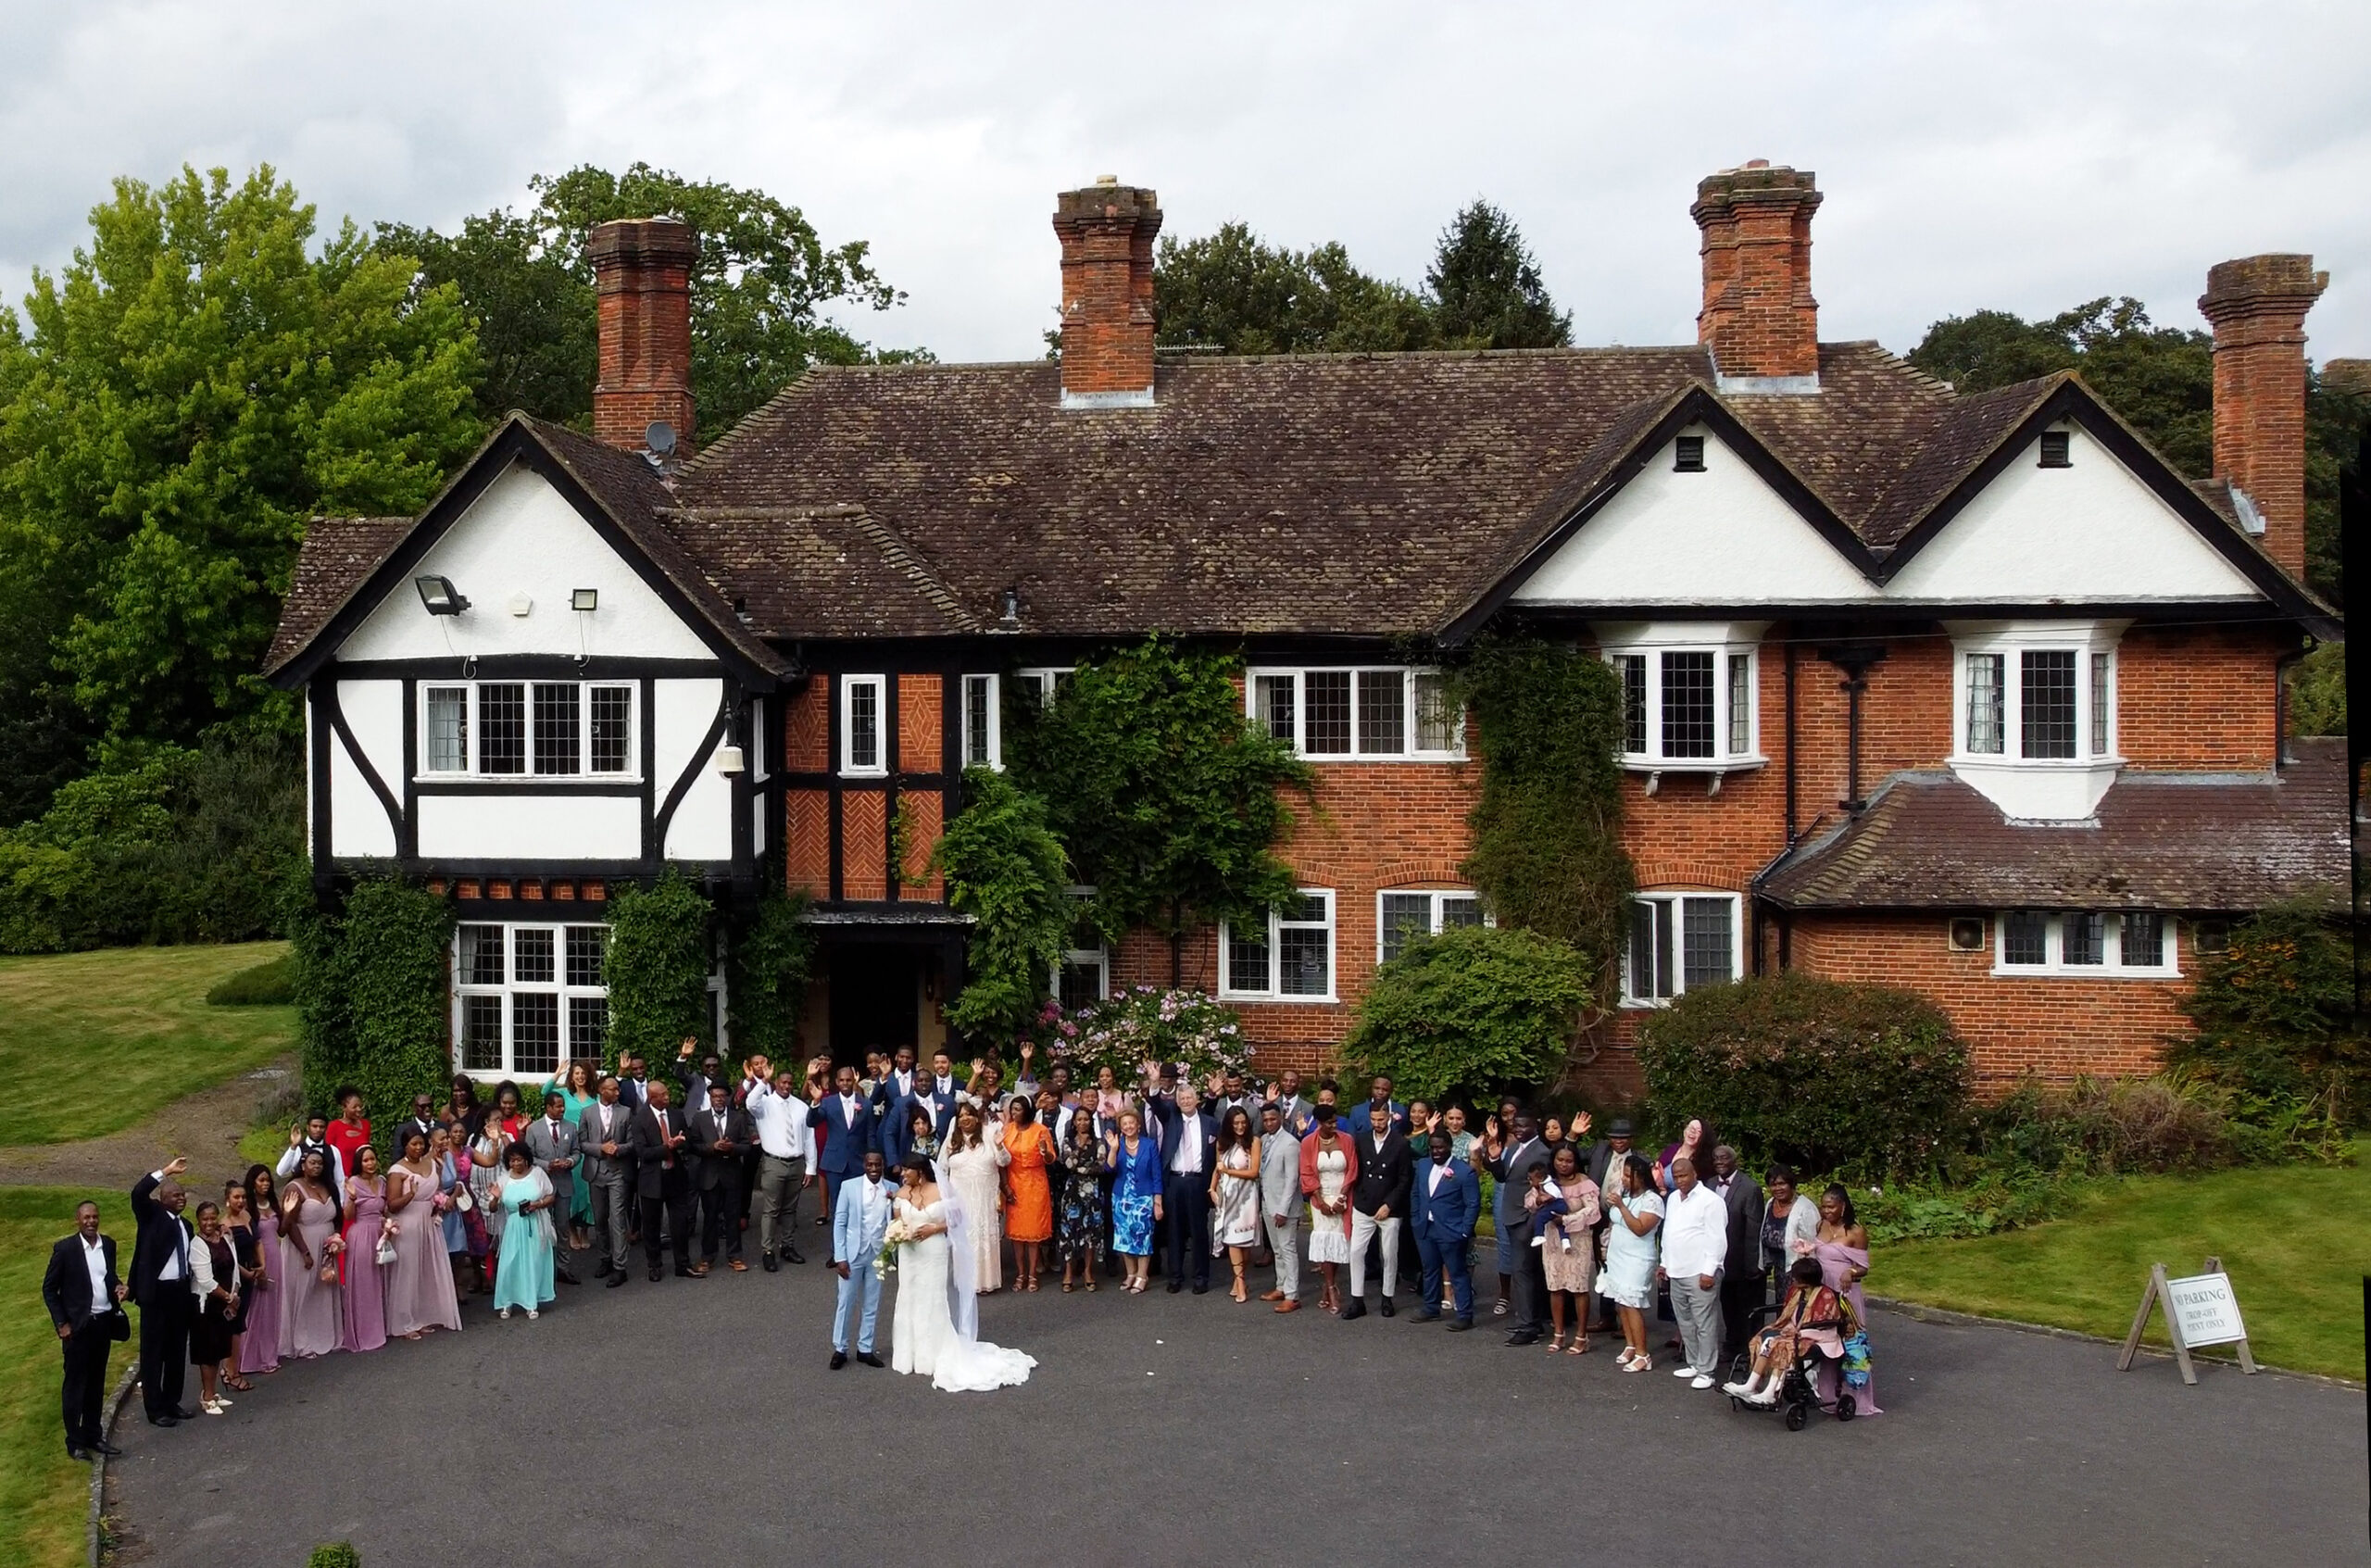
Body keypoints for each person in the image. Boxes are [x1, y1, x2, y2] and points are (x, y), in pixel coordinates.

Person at [890, 1155, 1035, 1391]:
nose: (904, 1174)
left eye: (908, 1170)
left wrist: (934, 1229)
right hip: (910, 1255)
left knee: (934, 1298)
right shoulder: (901, 1194)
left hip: (933, 1250)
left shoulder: (941, 1190)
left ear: (921, 1172)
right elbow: (898, 1223)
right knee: (910, 1296)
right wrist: (900, 1234)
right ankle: (910, 1354)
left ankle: (934, 1351)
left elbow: (957, 1219)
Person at [44, 1199, 127, 1460]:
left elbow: (108, 1276)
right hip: (78, 1328)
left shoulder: (108, 1245)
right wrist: (62, 1324)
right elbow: (49, 1289)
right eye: (86, 1218)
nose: (91, 1222)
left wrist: (119, 1286)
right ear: (78, 1220)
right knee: (75, 1385)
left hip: (102, 1324)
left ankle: (93, 1434)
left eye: (95, 1217)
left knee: (96, 1382)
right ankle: (75, 1442)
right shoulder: (66, 1249)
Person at [1725, 1257, 1857, 1405]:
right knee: (1768, 1341)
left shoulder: (1826, 1296)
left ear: (1805, 1280)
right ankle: (1750, 1385)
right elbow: (1792, 1317)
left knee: (1782, 1346)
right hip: (1798, 1334)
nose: (1792, 1279)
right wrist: (1789, 1329)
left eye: (1795, 1277)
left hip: (1822, 1339)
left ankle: (1770, 1392)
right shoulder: (1798, 1292)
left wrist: (1799, 1333)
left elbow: (1825, 1327)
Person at [129, 1158, 197, 1426]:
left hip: (180, 1291)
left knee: (177, 1350)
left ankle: (172, 1401)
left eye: (182, 1195)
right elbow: (137, 1193)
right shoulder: (151, 1216)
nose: (180, 1199)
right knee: (154, 1353)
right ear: (161, 1198)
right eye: (174, 1195)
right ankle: (155, 1409)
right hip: (156, 1294)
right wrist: (166, 1171)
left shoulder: (186, 1225)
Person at [1810, 1185, 1882, 1414]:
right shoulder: (1820, 1225)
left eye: (1831, 1207)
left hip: (1846, 1293)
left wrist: (1849, 1272)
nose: (1826, 1211)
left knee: (1850, 1342)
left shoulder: (1856, 1232)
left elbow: (1863, 1267)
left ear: (1843, 1206)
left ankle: (1856, 1397)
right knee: (1828, 1341)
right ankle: (1829, 1394)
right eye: (1823, 1206)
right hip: (1824, 1290)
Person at [385, 1129, 463, 1338]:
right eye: (413, 1144)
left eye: (421, 1143)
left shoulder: (433, 1164)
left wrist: (439, 1204)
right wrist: (410, 1194)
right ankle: (404, 1322)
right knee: (408, 1272)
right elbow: (392, 1205)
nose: (418, 1148)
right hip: (408, 1224)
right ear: (405, 1146)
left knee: (425, 1269)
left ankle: (422, 1316)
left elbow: (435, 1191)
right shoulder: (397, 1171)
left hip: (430, 1223)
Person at [1659, 1154, 1726, 1389]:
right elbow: (1668, 1233)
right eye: (1676, 1176)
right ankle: (1695, 1363)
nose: (1680, 1180)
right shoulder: (1674, 1199)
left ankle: (1707, 1371)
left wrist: (1709, 1270)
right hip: (1677, 1270)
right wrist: (1664, 1262)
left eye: (1684, 1175)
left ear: (1695, 1174)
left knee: (1704, 1322)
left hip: (1700, 1271)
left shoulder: (1710, 1200)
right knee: (1685, 1321)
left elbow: (1717, 1238)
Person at [1486, 1110, 1552, 1344]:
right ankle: (1532, 1320)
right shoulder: (1513, 1148)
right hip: (1511, 1215)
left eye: (1523, 1126)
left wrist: (1532, 1223)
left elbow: (1545, 1191)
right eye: (1515, 1125)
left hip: (1527, 1219)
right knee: (1524, 1272)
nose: (1518, 1129)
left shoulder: (1542, 1153)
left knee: (1523, 1273)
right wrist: (1493, 1158)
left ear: (1535, 1126)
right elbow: (1503, 1177)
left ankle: (1528, 1328)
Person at [1341, 1101, 1411, 1320]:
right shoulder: (1361, 1140)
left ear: (1389, 1117)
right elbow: (1356, 1171)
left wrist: (1389, 1204)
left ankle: (1387, 1297)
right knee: (1356, 1252)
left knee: (1389, 1254)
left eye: (1381, 1119)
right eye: (1373, 1120)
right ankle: (1357, 1299)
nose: (1377, 1123)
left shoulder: (1400, 1143)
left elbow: (1404, 1178)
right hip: (1364, 1204)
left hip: (1389, 1207)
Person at [1150, 1082, 1217, 1295]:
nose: (1186, 1101)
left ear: (1197, 1100)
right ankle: (1175, 1277)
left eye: (1189, 1098)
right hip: (1175, 1181)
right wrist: (1154, 1083)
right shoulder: (1171, 1119)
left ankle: (1201, 1277)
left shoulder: (1210, 1123)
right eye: (1182, 1099)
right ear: (1177, 1102)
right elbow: (1156, 1103)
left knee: (1199, 1232)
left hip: (1198, 1182)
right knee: (1175, 1232)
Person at [745, 1066, 813, 1271]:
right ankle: (768, 1251)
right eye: (782, 1082)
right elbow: (749, 1103)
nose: (786, 1086)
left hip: (797, 1162)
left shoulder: (801, 1106)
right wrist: (762, 1082)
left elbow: (809, 1138)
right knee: (771, 1210)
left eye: (790, 1083)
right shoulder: (764, 1104)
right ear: (776, 1083)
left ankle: (787, 1246)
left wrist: (811, 1168)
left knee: (790, 1209)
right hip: (774, 1162)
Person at [830, 1149, 894, 1369]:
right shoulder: (849, 1187)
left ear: (883, 1165)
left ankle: (865, 1348)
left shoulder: (892, 1189)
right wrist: (840, 1257)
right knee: (846, 1300)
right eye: (870, 1165)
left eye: (878, 1165)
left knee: (872, 1302)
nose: (874, 1169)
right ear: (864, 1165)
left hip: (878, 1252)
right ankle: (840, 1347)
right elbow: (839, 1222)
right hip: (853, 1253)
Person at [1410, 1130, 1480, 1329]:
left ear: (1449, 1147)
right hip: (1426, 1227)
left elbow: (1473, 1204)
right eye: (1432, 1148)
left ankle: (1465, 1314)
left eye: (1440, 1147)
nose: (1436, 1152)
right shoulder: (1423, 1166)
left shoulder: (1464, 1171)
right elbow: (1416, 1194)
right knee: (1429, 1269)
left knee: (1457, 1272)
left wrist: (1465, 1231)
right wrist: (1416, 1219)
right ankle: (1431, 1307)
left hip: (1452, 1230)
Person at [277, 1149, 343, 1360]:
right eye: (312, 1163)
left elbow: (338, 1215)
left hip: (325, 1245)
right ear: (303, 1165)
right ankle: (302, 1342)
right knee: (304, 1292)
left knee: (322, 1290)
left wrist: (335, 1239)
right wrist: (305, 1251)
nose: (317, 1167)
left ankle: (323, 1335)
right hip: (302, 1245)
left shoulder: (328, 1186)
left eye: (320, 1164)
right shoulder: (294, 1188)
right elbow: (290, 1224)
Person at [1537, 1143, 1601, 1354]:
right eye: (1560, 1160)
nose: (1563, 1165)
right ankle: (1559, 1334)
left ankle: (1582, 1336)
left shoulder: (1585, 1183)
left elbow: (1593, 1211)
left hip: (1577, 1240)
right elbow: (1530, 1201)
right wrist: (1537, 1200)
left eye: (1568, 1161)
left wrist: (1566, 1219)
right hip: (1552, 1239)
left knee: (1578, 1287)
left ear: (1576, 1162)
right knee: (1555, 1286)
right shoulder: (1547, 1181)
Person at [1600, 1153, 1663, 1374]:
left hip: (1637, 1258)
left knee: (1632, 1303)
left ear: (1641, 1176)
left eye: (1629, 1175)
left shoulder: (1652, 1200)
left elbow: (1639, 1228)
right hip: (1618, 1255)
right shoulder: (1623, 1194)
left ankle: (1642, 1354)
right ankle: (1630, 1344)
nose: (1624, 1179)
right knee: (1621, 1301)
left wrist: (1621, 1206)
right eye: (1623, 1174)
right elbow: (1614, 1221)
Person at [631, 1080, 696, 1281]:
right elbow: (642, 1152)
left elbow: (689, 1142)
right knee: (651, 1225)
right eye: (663, 1095)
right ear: (652, 1098)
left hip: (675, 1177)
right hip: (652, 1179)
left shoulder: (677, 1115)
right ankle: (654, 1265)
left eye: (667, 1093)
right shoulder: (640, 1119)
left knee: (680, 1223)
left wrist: (681, 1144)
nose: (667, 1097)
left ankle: (682, 1264)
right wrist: (667, 1147)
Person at [941, 1104, 1010, 1293]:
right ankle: (965, 1283)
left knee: (984, 1238)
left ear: (977, 1118)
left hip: (985, 1199)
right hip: (961, 1199)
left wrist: (999, 1146)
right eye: (961, 1116)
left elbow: (1004, 1161)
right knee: (964, 1239)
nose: (965, 1119)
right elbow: (942, 1169)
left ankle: (986, 1282)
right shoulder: (952, 1141)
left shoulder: (989, 1135)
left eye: (969, 1115)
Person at [692, 1082, 756, 1273]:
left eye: (722, 1096)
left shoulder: (739, 1118)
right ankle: (707, 1257)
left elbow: (747, 1146)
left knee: (732, 1217)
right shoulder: (700, 1118)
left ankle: (735, 1256)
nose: (719, 1099)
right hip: (709, 1176)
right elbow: (693, 1146)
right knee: (710, 1218)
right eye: (715, 1096)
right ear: (710, 1098)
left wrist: (732, 1148)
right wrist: (712, 1147)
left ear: (727, 1098)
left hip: (732, 1175)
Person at [577, 1074, 635, 1286]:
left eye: (618, 1089)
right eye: (614, 1089)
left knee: (618, 1219)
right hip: (595, 1172)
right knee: (600, 1219)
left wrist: (617, 1149)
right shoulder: (587, 1113)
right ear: (603, 1090)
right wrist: (600, 1148)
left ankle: (620, 1267)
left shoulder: (626, 1112)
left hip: (617, 1171)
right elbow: (582, 1143)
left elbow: (632, 1142)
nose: (618, 1092)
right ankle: (605, 1258)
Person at [521, 1092, 583, 1286]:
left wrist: (570, 1161)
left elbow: (577, 1152)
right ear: (548, 1107)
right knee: (542, 1228)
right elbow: (528, 1157)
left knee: (563, 1228)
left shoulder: (571, 1127)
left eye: (563, 1106)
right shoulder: (534, 1129)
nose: (562, 1109)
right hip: (542, 1185)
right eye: (558, 1106)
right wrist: (547, 1164)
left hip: (564, 1185)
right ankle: (542, 1268)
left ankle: (563, 1268)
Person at [186, 1201, 242, 1414]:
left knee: (219, 1349)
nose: (209, 1222)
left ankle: (213, 1392)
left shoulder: (225, 1237)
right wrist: (228, 1297)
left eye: (212, 1218)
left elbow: (234, 1265)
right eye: (204, 1219)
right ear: (198, 1221)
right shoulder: (197, 1244)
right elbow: (205, 1280)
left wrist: (235, 1293)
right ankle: (206, 1396)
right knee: (207, 1352)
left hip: (225, 1304)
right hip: (206, 1306)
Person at [1298, 1104, 1355, 1314]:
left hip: (1342, 1196)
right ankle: (1331, 1288)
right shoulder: (1308, 1143)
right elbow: (1306, 1172)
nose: (1334, 1125)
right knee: (1325, 1243)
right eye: (1329, 1122)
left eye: (1335, 1121)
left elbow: (1352, 1169)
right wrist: (1320, 1201)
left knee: (1338, 1243)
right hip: (1320, 1198)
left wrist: (1341, 1198)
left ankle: (1328, 1285)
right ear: (1320, 1123)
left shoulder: (1346, 1140)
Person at [491, 1142, 558, 1319]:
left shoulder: (538, 1174)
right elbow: (492, 1207)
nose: (515, 1164)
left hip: (535, 1224)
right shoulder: (504, 1179)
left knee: (533, 1263)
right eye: (512, 1161)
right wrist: (495, 1199)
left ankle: (531, 1302)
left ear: (526, 1159)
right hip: (513, 1227)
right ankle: (506, 1302)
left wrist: (538, 1204)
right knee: (509, 1264)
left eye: (519, 1160)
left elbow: (550, 1195)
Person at [808, 1064, 878, 1234]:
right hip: (835, 1163)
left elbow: (870, 1134)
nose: (845, 1083)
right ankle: (837, 1252)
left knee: (858, 1207)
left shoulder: (865, 1104)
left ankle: (857, 1249)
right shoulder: (828, 1102)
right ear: (837, 1082)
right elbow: (812, 1122)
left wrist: (873, 1159)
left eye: (848, 1080)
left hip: (858, 1163)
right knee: (837, 1208)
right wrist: (816, 1102)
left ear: (854, 1081)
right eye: (842, 1080)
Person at [1711, 1145, 1766, 1355]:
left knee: (1746, 1308)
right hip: (1719, 1259)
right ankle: (1731, 1343)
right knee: (1727, 1305)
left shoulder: (1749, 1188)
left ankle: (1748, 1350)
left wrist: (1752, 1265)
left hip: (1740, 1258)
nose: (1719, 1162)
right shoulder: (1709, 1185)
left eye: (1723, 1158)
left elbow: (1753, 1228)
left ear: (1734, 1161)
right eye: (1715, 1158)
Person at [1584, 1117, 1637, 1334]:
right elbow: (1572, 1155)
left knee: (1625, 1268)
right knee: (1603, 1267)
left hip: (1626, 1220)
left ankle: (1628, 1321)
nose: (1619, 1142)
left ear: (1631, 1139)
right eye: (1615, 1138)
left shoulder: (1639, 1159)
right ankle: (1607, 1317)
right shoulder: (1600, 1152)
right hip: (1601, 1217)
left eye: (1624, 1138)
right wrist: (1573, 1135)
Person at [1001, 1096, 1056, 1293]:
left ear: (1027, 1111)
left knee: (1033, 1234)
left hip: (1035, 1184)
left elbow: (1051, 1158)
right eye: (1012, 1109)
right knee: (1017, 1235)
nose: (1014, 1113)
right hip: (1014, 1182)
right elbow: (1001, 1159)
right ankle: (1020, 1273)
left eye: (1018, 1109)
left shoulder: (1041, 1130)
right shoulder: (1007, 1130)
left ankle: (1033, 1274)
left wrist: (1044, 1152)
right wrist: (1005, 1186)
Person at [1208, 1105, 1262, 1303]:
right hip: (1227, 1196)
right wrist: (1212, 1188)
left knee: (1245, 1241)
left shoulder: (1254, 1142)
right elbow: (1217, 1169)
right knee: (1231, 1239)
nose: (1240, 1126)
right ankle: (1239, 1282)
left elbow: (1254, 1172)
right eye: (1236, 1123)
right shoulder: (1222, 1143)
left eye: (1243, 1122)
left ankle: (1240, 1277)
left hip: (1247, 1197)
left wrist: (1229, 1172)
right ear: (1229, 1125)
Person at [340, 1145, 391, 1354]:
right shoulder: (353, 1182)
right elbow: (348, 1216)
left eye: (372, 1159)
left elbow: (385, 1209)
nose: (370, 1164)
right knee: (364, 1282)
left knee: (380, 1281)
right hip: (361, 1234)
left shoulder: (382, 1182)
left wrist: (389, 1225)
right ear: (359, 1163)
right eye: (365, 1160)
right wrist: (351, 1198)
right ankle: (363, 1331)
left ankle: (381, 1326)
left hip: (380, 1233)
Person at [1105, 1110, 1162, 1294]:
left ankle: (1142, 1276)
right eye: (1125, 1124)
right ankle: (1130, 1273)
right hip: (1121, 1197)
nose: (1129, 1127)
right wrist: (1113, 1149)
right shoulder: (1117, 1144)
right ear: (1121, 1127)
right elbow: (1109, 1169)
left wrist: (1158, 1201)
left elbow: (1156, 1174)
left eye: (1132, 1123)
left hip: (1143, 1198)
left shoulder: (1149, 1144)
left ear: (1138, 1125)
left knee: (1143, 1237)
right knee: (1123, 1238)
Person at [542, 1063, 598, 1249]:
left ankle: (585, 1231)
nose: (580, 1077)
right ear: (571, 1077)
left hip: (589, 1147)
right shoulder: (565, 1094)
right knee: (572, 1192)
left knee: (589, 1194)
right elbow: (544, 1092)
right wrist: (557, 1073)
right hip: (569, 1147)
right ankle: (572, 1231)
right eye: (576, 1073)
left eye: (583, 1073)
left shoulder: (595, 1097)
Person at [1254, 1103, 1302, 1311]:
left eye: (1273, 1119)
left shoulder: (1291, 1143)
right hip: (1267, 1202)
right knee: (1276, 1249)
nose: (1269, 1123)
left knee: (1288, 1248)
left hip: (1285, 1207)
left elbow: (1292, 1179)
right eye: (1265, 1120)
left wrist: (1283, 1210)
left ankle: (1293, 1295)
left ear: (1281, 1118)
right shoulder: (1264, 1140)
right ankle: (1281, 1286)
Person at [236, 1167, 282, 1377]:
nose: (266, 1184)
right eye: (261, 1180)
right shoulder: (248, 1209)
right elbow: (252, 1240)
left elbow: (282, 1230)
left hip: (276, 1257)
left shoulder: (272, 1204)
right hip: (259, 1260)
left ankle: (269, 1353)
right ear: (252, 1182)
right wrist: (257, 1267)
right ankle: (251, 1356)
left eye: (268, 1181)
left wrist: (289, 1212)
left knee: (272, 1309)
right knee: (256, 1310)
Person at [1056, 1109, 1107, 1292]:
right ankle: (1068, 1272)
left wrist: (1080, 1168)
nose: (1083, 1122)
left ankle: (1087, 1271)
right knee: (1069, 1232)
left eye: (1086, 1119)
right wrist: (1079, 1148)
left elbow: (1101, 1166)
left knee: (1090, 1233)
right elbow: (1068, 1164)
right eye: (1079, 1119)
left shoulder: (1099, 1142)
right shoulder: (1068, 1142)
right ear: (1074, 1122)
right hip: (1072, 1192)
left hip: (1092, 1192)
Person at [217, 1180, 260, 1391]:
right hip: (236, 1277)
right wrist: (247, 1274)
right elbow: (229, 1257)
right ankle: (230, 1371)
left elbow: (257, 1241)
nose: (241, 1201)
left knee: (240, 1322)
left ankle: (232, 1369)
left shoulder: (247, 1216)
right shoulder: (224, 1225)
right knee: (235, 1324)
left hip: (251, 1272)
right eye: (236, 1197)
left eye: (243, 1197)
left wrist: (261, 1265)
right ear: (227, 1200)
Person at [1761, 1166, 1819, 1311]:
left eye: (1782, 1184)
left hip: (1797, 1270)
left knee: (1796, 1309)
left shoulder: (1805, 1208)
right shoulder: (1770, 1204)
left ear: (1791, 1184)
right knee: (1782, 1307)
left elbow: (1812, 1242)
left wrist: (1805, 1275)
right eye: (1773, 1185)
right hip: (1778, 1269)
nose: (1777, 1188)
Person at [275, 1113, 345, 1186]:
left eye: (322, 1127)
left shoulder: (334, 1151)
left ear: (326, 1129)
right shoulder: (298, 1149)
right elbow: (281, 1171)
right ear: (308, 1127)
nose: (318, 1130)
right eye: (314, 1126)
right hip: (303, 1195)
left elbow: (339, 1181)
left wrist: (340, 1198)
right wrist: (293, 1146)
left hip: (327, 1195)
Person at [1657, 1116, 1712, 1195]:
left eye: (1698, 1131)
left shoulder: (1703, 1161)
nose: (1693, 1132)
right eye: (1691, 1128)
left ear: (1703, 1137)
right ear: (1685, 1130)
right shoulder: (1671, 1149)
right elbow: (1657, 1168)